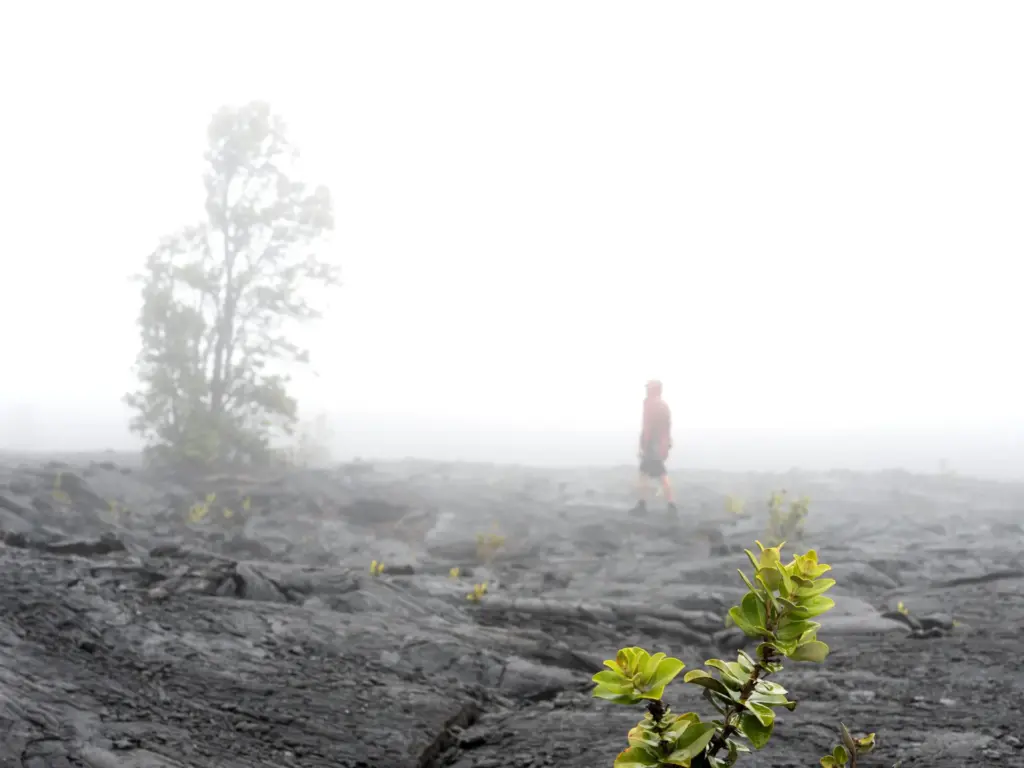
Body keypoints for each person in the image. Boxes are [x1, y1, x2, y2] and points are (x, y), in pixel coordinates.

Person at [631, 379, 676, 515]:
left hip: (652, 445)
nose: (646, 391)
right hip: (660, 445)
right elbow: (667, 427)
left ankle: (644, 506)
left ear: (653, 390)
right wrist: (667, 444)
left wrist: (643, 445)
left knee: (647, 474)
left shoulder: (651, 405)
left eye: (648, 388)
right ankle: (669, 505)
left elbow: (648, 427)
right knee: (659, 474)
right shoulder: (664, 406)